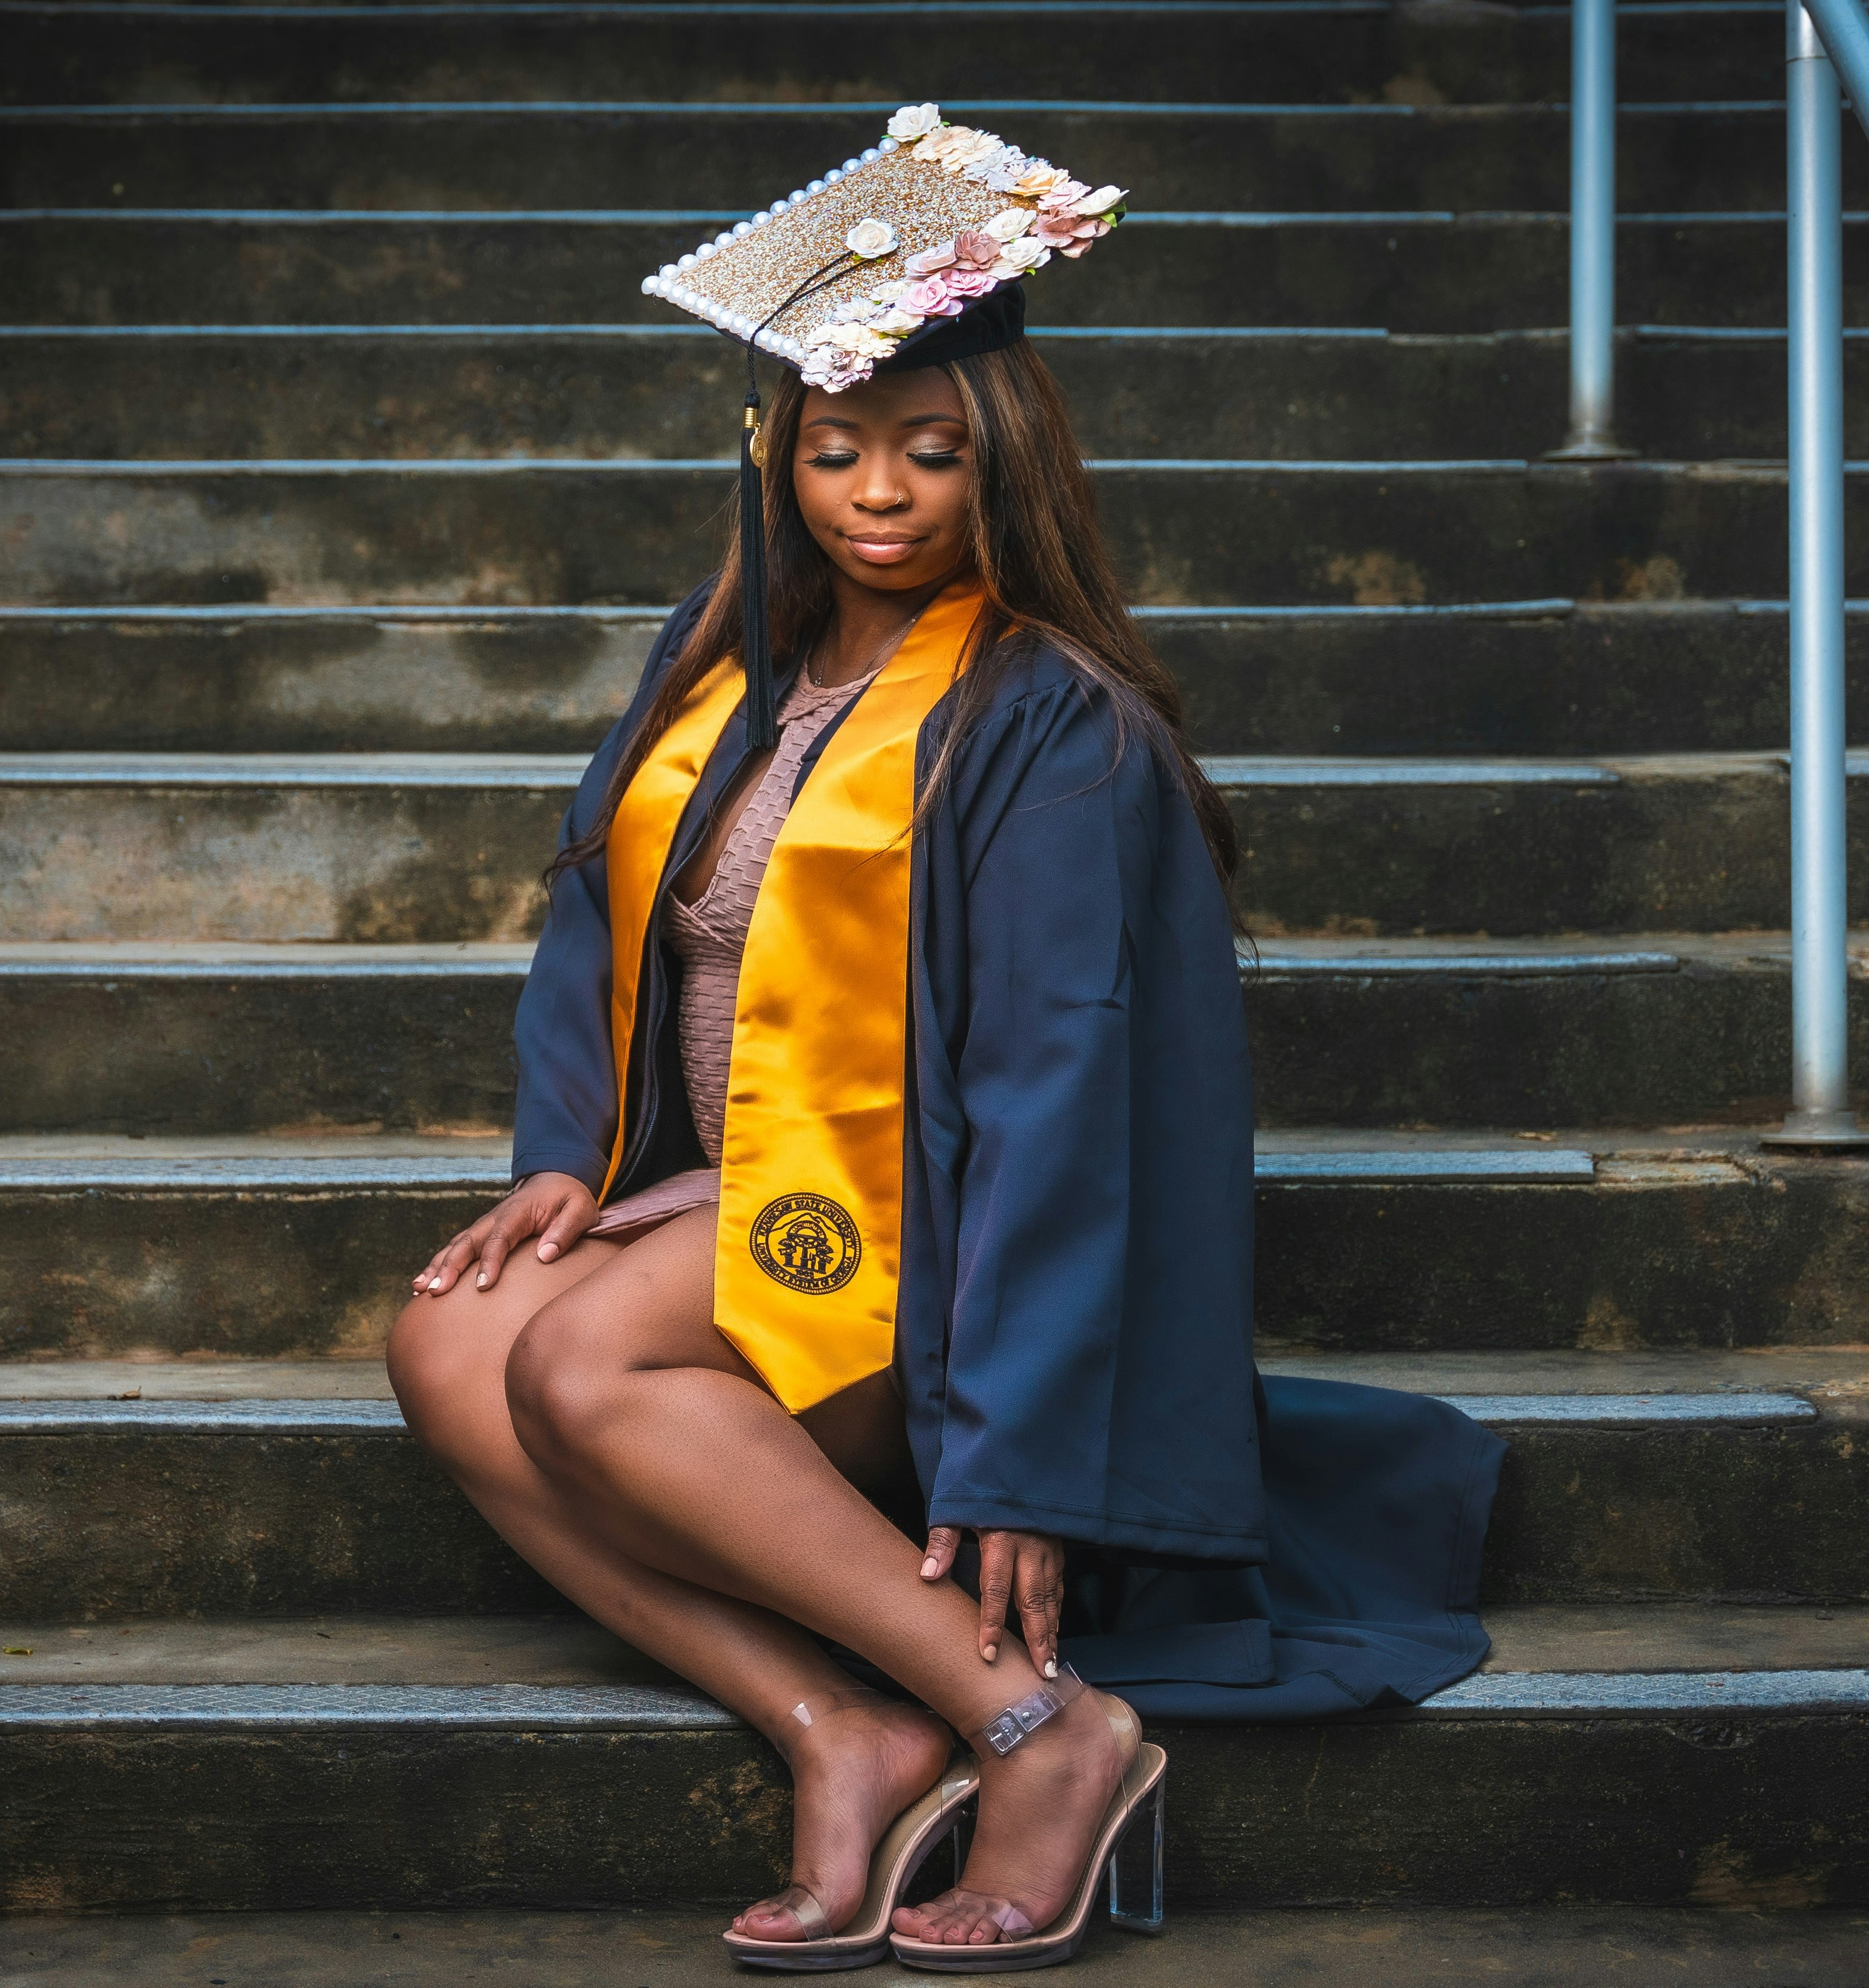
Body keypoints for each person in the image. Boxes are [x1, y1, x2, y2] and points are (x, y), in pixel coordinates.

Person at [388, 110, 1502, 1973]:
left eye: (930, 454)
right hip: (752, 1199)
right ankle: (845, 1724)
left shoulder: (1049, 726)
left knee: (579, 1368)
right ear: (779, 453)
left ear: (1008, 470)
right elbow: (599, 918)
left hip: (953, 1273)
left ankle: (1040, 1725)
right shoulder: (726, 662)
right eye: (837, 450)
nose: (879, 495)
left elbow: (1067, 1095)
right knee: (443, 1337)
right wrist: (572, 1158)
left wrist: (1022, 1455)